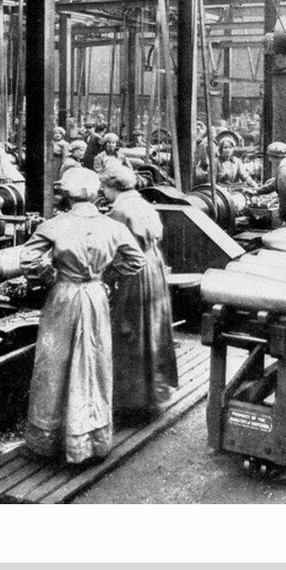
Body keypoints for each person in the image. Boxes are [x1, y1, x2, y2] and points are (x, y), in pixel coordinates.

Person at [19, 168, 145, 464]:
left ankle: (48, 441)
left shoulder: (54, 224)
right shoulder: (112, 226)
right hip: (95, 295)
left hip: (63, 295)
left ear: (67, 193)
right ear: (94, 192)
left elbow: (27, 259)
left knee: (55, 363)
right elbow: (136, 261)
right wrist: (107, 275)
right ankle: (90, 441)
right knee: (92, 362)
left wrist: (50, 275)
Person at [100, 165, 179, 424]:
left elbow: (112, 247)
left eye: (104, 187)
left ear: (114, 187)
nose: (102, 192)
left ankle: (132, 404)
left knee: (131, 332)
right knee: (152, 330)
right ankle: (153, 396)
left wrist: (106, 275)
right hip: (153, 266)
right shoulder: (144, 203)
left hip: (135, 274)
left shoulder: (119, 210)